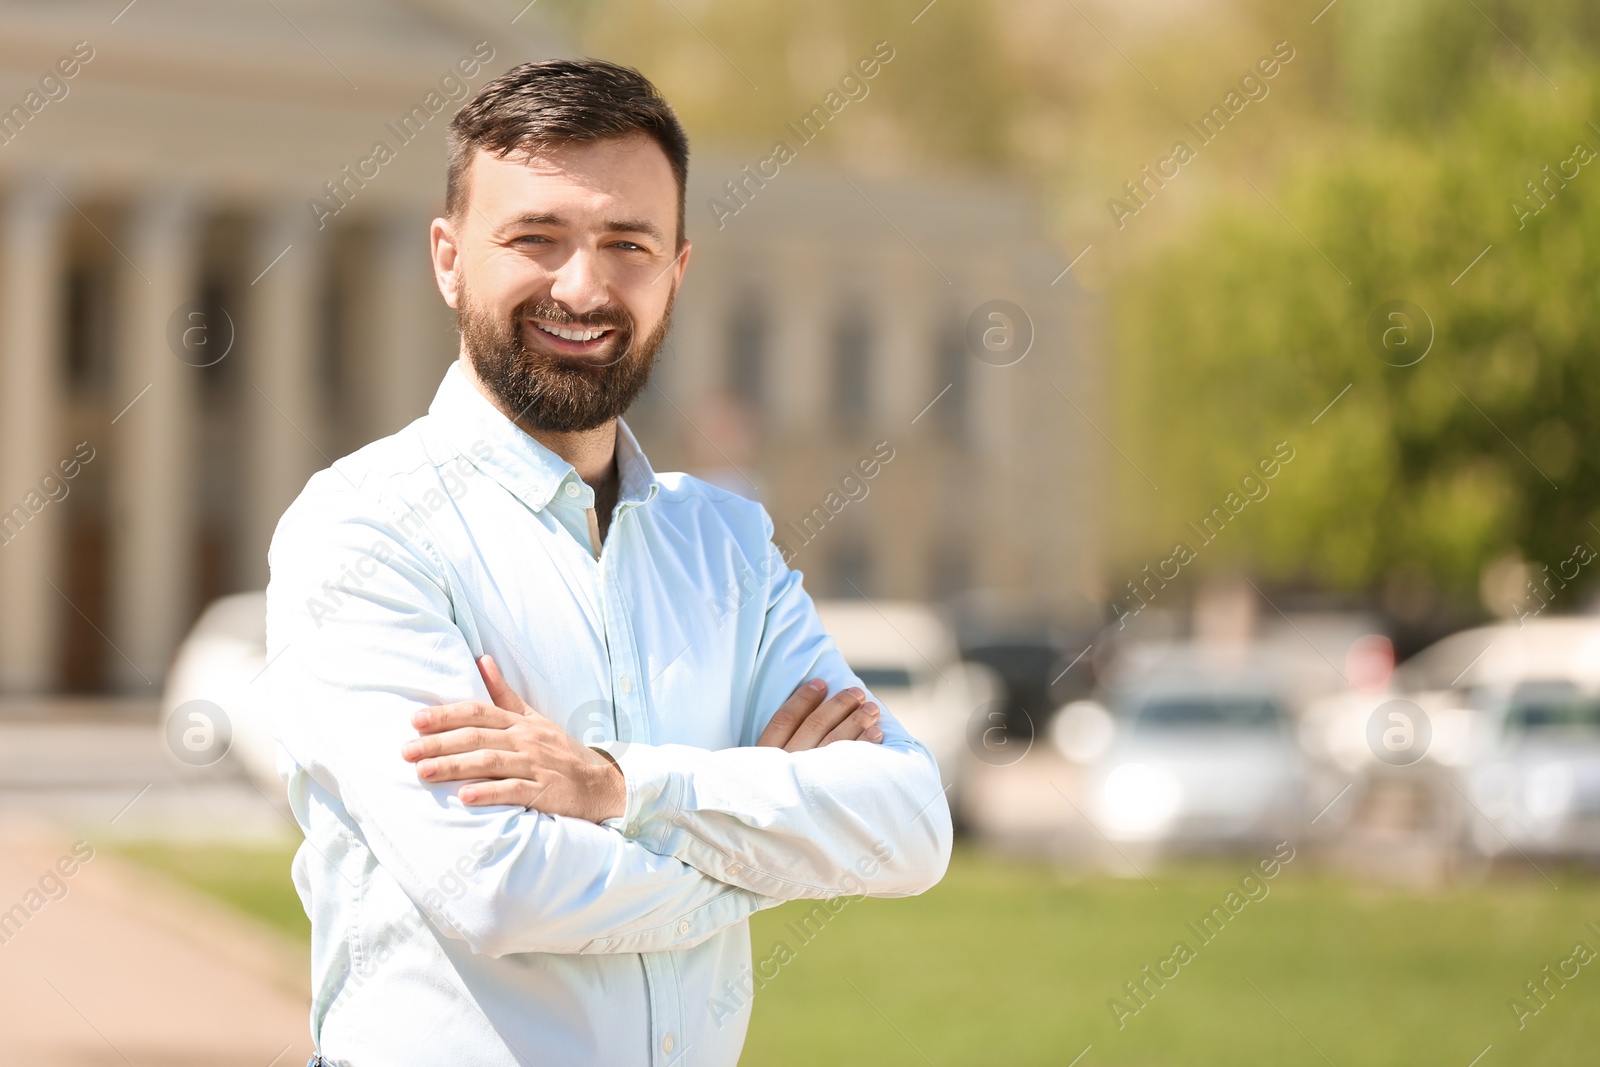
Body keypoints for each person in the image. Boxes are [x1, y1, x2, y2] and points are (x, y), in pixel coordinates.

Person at [263, 58, 952, 1067]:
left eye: (625, 243)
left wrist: (615, 785)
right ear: (449, 258)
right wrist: (768, 827)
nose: (581, 286)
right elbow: (495, 886)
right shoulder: (364, 529)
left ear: (676, 269)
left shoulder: (727, 543)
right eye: (535, 237)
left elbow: (910, 825)